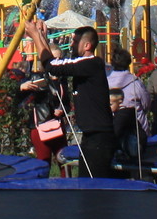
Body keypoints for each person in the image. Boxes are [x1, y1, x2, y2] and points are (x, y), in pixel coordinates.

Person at [33, 25, 116, 178]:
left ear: (87, 45)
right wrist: (42, 37)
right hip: (91, 135)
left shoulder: (91, 64)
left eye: (75, 41)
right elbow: (55, 65)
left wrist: (35, 37)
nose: (71, 45)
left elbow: (52, 67)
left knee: (95, 184)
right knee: (86, 181)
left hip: (99, 136)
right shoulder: (84, 65)